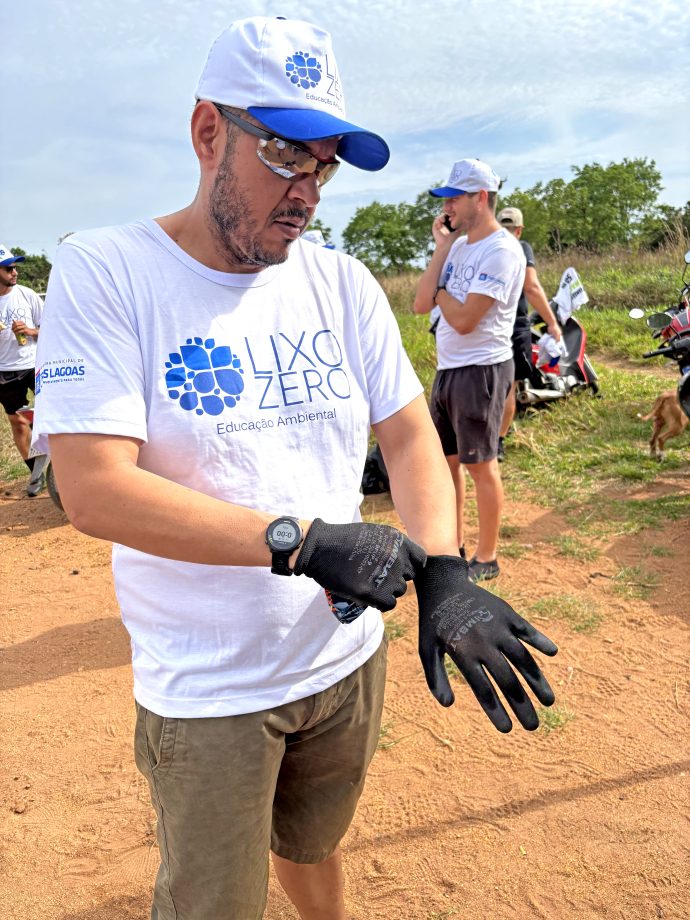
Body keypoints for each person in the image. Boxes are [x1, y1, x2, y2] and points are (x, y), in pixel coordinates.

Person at [33, 18, 558, 920]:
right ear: (208, 133)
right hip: (211, 691)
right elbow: (92, 486)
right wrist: (301, 544)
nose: (306, 189)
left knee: (314, 841)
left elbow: (407, 437)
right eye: (283, 154)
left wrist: (444, 569)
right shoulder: (108, 271)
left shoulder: (339, 282)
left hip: (343, 660)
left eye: (323, 166)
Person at [413, 160, 525, 583]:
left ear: (481, 197)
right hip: (450, 368)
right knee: (448, 464)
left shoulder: (501, 250)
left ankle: (488, 554)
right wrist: (441, 247)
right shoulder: (458, 247)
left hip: (481, 369)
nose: (448, 207)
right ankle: (454, 546)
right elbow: (422, 304)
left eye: (455, 197)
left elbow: (464, 319)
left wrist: (442, 291)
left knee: (482, 464)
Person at [495, 207, 561, 462]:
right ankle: (498, 442)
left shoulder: (481, 247)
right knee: (508, 385)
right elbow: (531, 287)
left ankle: (491, 435)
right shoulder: (521, 248)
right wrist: (552, 323)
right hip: (512, 325)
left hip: (484, 324)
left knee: (491, 385)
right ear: (519, 230)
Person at [0, 244, 45, 496]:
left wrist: (30, 332)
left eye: (15, 267)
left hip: (35, 366)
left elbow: (51, 326)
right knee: (18, 423)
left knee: (50, 415)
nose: (14, 272)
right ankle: (36, 474)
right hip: (4, 372)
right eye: (8, 269)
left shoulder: (26, 295)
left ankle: (63, 468)